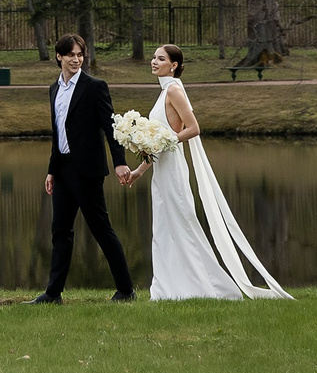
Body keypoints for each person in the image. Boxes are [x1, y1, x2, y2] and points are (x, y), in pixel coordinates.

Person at [116, 43, 290, 301]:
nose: (153, 62)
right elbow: (159, 140)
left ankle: (208, 287)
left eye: (160, 58)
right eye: (153, 58)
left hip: (173, 171)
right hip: (160, 172)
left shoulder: (174, 90)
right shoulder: (164, 92)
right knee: (164, 228)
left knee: (183, 225)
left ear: (173, 65)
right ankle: (168, 288)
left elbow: (193, 128)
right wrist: (141, 170)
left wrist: (168, 141)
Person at [29, 33, 137, 303]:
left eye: (79, 55)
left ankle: (126, 290)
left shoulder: (94, 86)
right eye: (71, 55)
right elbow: (58, 134)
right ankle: (53, 294)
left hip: (87, 171)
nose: (76, 59)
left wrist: (120, 162)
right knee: (60, 232)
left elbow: (110, 128)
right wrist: (52, 170)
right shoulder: (54, 89)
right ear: (59, 57)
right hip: (63, 170)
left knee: (101, 229)